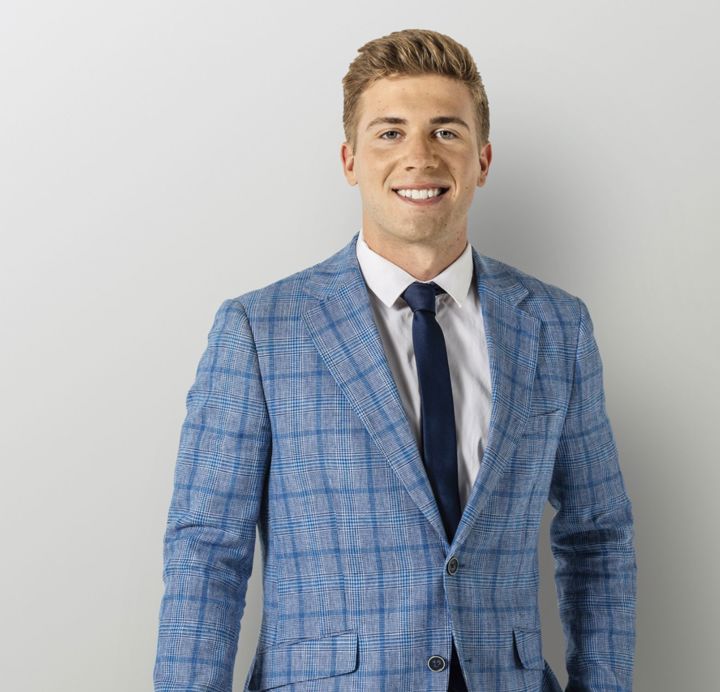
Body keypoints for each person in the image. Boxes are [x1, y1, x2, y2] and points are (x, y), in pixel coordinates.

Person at [153, 28, 637, 692]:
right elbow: (207, 553)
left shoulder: (556, 327)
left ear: (482, 160)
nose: (419, 156)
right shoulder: (261, 331)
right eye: (390, 133)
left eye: (446, 131)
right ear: (350, 160)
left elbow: (598, 535)